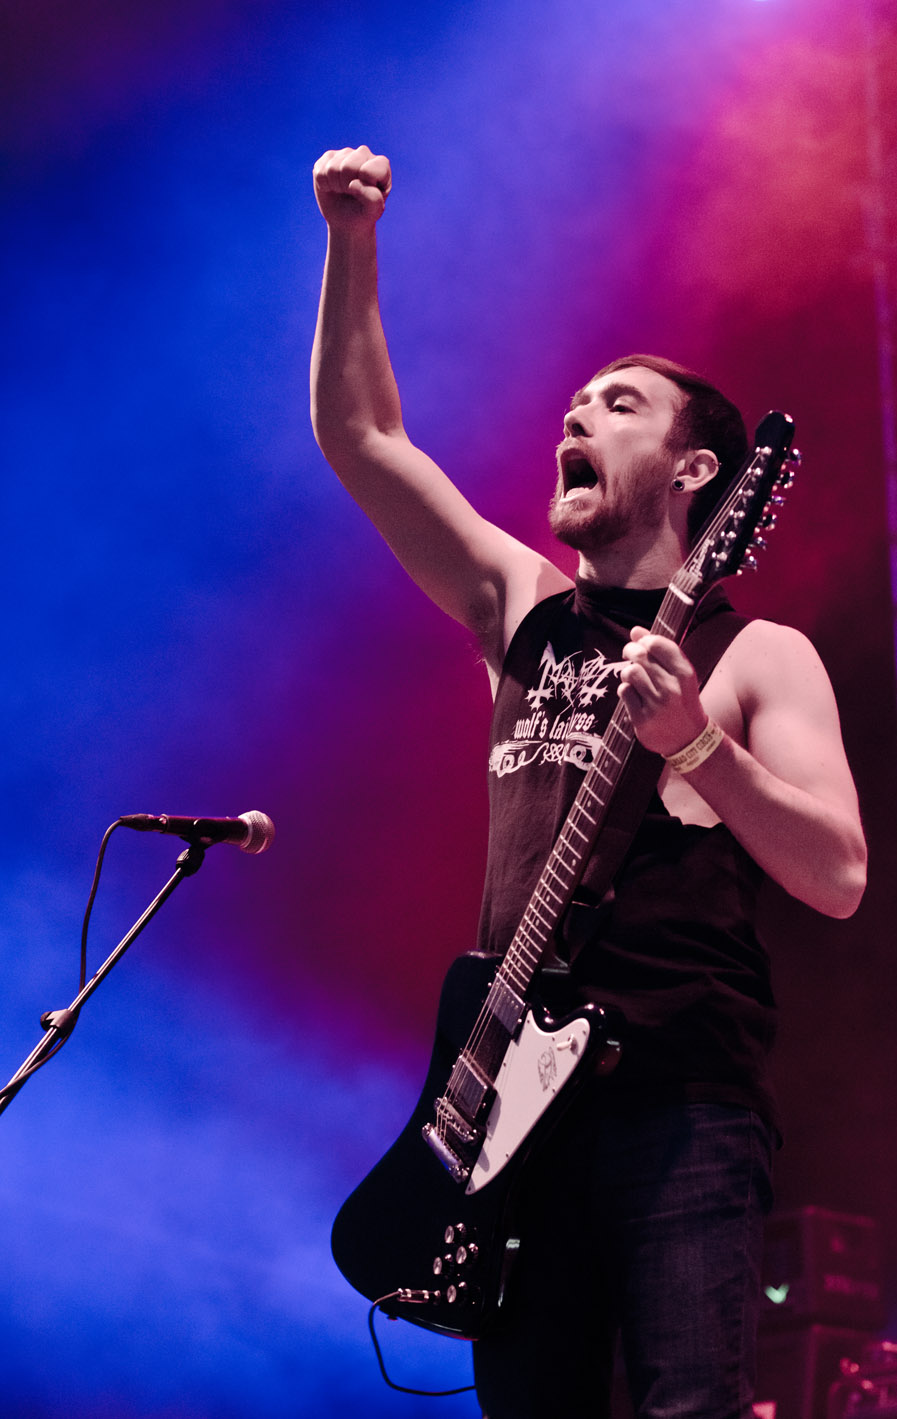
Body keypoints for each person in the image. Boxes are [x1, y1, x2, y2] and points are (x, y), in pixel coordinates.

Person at [310, 145, 867, 1419]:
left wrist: (698, 747)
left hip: (678, 1097)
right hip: (512, 1114)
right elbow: (362, 436)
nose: (576, 418)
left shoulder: (756, 653)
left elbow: (835, 876)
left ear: (693, 473)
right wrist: (351, 240)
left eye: (618, 406)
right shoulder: (526, 608)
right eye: (574, 404)